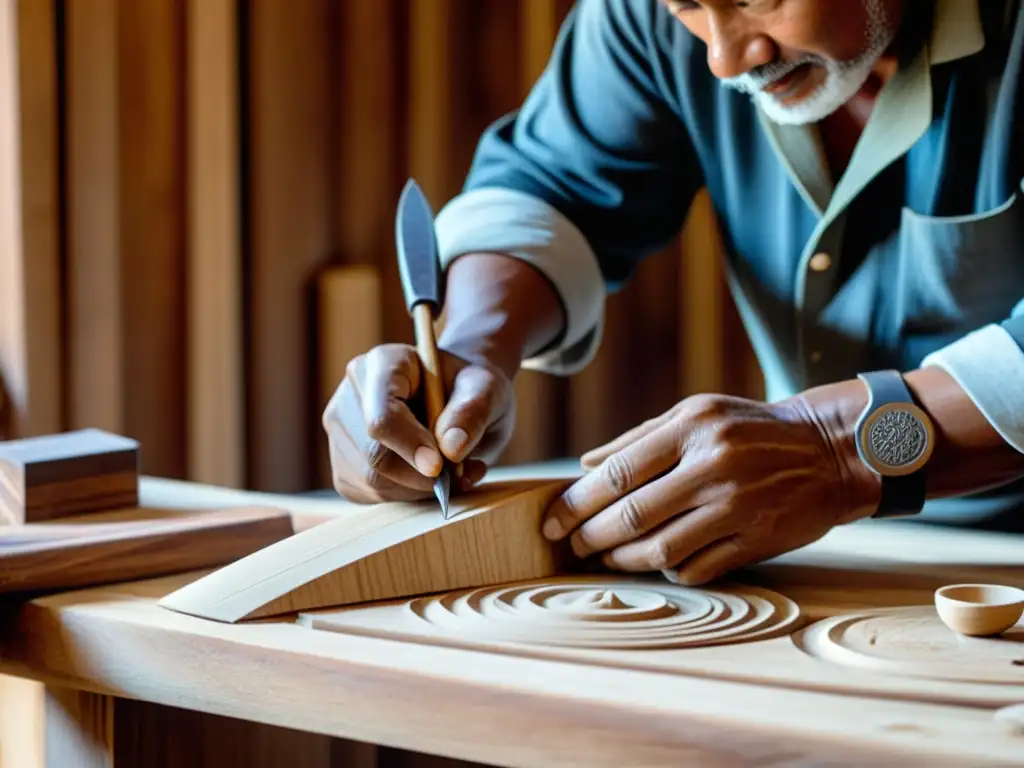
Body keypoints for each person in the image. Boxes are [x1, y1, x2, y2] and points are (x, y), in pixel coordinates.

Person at [322, 0, 1024, 585]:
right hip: (825, 553)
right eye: (686, 6)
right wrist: (472, 345)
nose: (725, 58)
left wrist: (837, 450)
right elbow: (556, 186)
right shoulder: (651, 17)